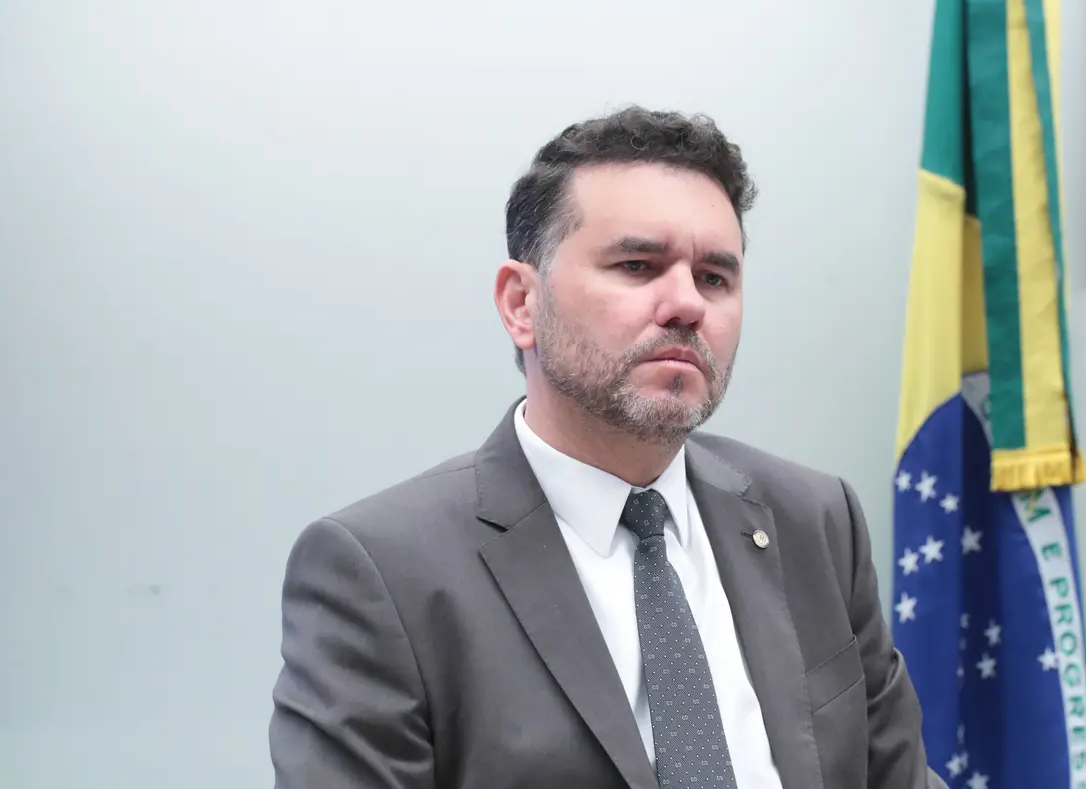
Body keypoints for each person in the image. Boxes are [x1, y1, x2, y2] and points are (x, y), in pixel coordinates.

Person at [268, 106, 947, 789]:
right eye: (637, 265)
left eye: (715, 277)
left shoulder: (814, 519)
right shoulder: (381, 572)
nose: (686, 303)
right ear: (520, 304)